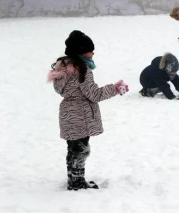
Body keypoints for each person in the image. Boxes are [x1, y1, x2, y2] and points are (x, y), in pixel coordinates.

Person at [47, 30, 129, 191]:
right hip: (81, 114)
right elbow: (94, 94)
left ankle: (74, 179)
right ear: (81, 51)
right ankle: (77, 183)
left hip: (68, 112)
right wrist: (115, 88)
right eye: (90, 50)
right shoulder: (82, 70)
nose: (93, 53)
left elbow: (62, 90)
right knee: (81, 150)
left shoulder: (63, 68)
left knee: (73, 149)